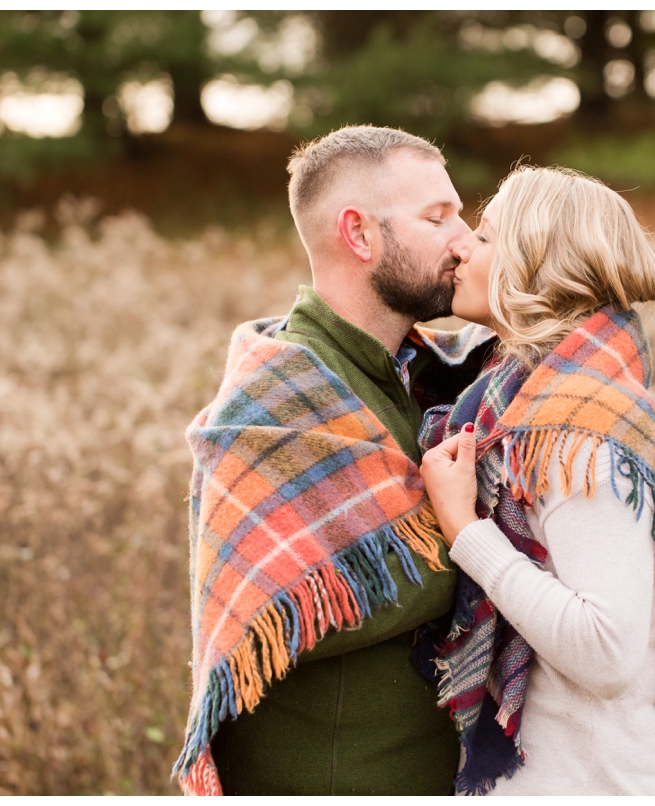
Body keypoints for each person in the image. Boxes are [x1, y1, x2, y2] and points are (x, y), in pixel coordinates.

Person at [173, 126, 495, 796]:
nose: (462, 239)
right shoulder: (275, 402)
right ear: (359, 235)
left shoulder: (420, 377)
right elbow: (325, 591)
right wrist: (470, 529)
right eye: (437, 217)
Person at [418, 165, 655, 795]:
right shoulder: (522, 405)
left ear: (536, 264)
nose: (463, 248)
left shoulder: (579, 428)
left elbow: (606, 653)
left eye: (488, 235)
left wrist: (465, 530)